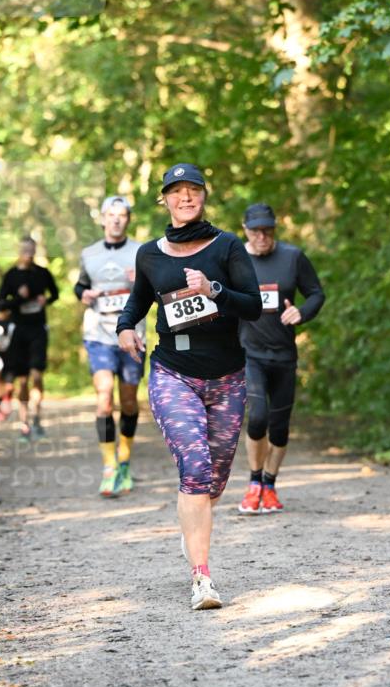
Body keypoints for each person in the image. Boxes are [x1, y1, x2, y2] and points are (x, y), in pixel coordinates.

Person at [117, 163, 262, 611]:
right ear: (164, 200)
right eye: (176, 191)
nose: (185, 197)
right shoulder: (150, 254)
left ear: (203, 196)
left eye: (192, 190)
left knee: (214, 482)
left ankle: (193, 529)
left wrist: (214, 288)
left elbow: (254, 306)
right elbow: (138, 301)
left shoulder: (227, 246)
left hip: (226, 377)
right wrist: (126, 328)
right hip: (172, 372)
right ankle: (202, 578)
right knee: (195, 470)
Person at [237, 203, 325, 514]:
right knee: (257, 417)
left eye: (268, 230)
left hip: (285, 355)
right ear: (245, 230)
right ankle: (253, 483)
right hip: (250, 354)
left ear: (274, 229)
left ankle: (270, 485)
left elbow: (316, 293)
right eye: (256, 230)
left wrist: (302, 312)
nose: (262, 236)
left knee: (280, 428)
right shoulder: (236, 260)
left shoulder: (292, 257)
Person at [75, 196, 146, 497]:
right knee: (104, 398)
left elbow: (155, 287)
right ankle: (109, 467)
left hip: (132, 335)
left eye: (122, 215)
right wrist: (84, 293)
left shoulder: (141, 252)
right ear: (102, 219)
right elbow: (79, 285)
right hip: (98, 333)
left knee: (128, 401)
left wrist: (140, 280)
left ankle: (125, 460)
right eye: (111, 215)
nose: (116, 219)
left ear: (128, 219)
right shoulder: (88, 254)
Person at [0, 236, 59, 440]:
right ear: (19, 251)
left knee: (37, 376)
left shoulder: (42, 273)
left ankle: (37, 419)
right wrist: (19, 298)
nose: (29, 254)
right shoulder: (11, 276)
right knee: (22, 381)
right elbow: (0, 306)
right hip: (19, 331)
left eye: (32, 250)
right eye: (25, 250)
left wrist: (45, 300)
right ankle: (24, 423)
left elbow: (55, 294)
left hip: (38, 329)